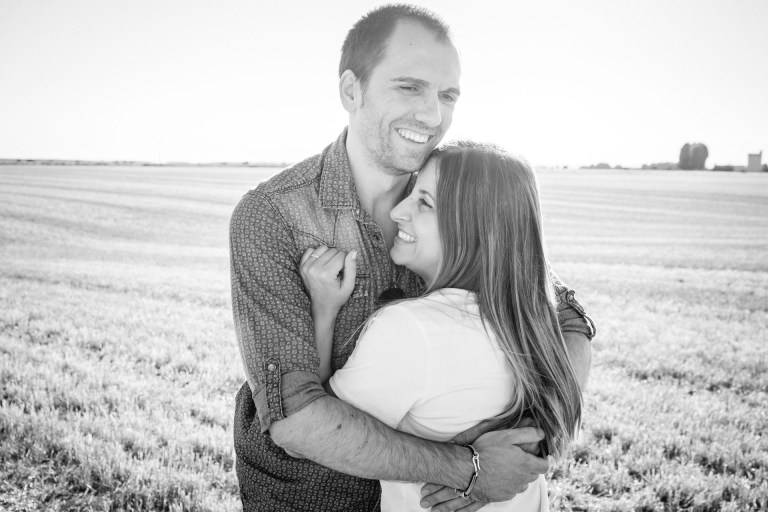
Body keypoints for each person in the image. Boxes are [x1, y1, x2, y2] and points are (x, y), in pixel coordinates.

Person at [230, 4, 595, 511]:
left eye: (447, 95)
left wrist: (530, 436)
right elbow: (294, 415)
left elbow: (564, 315)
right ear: (351, 90)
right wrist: (469, 469)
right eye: (409, 87)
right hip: (310, 497)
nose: (432, 115)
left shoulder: (460, 194)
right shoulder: (274, 214)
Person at [299, 141, 582, 512]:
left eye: (425, 203)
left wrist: (324, 309)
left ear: (474, 229)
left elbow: (321, 430)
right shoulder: (535, 323)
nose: (398, 211)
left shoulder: (412, 330)